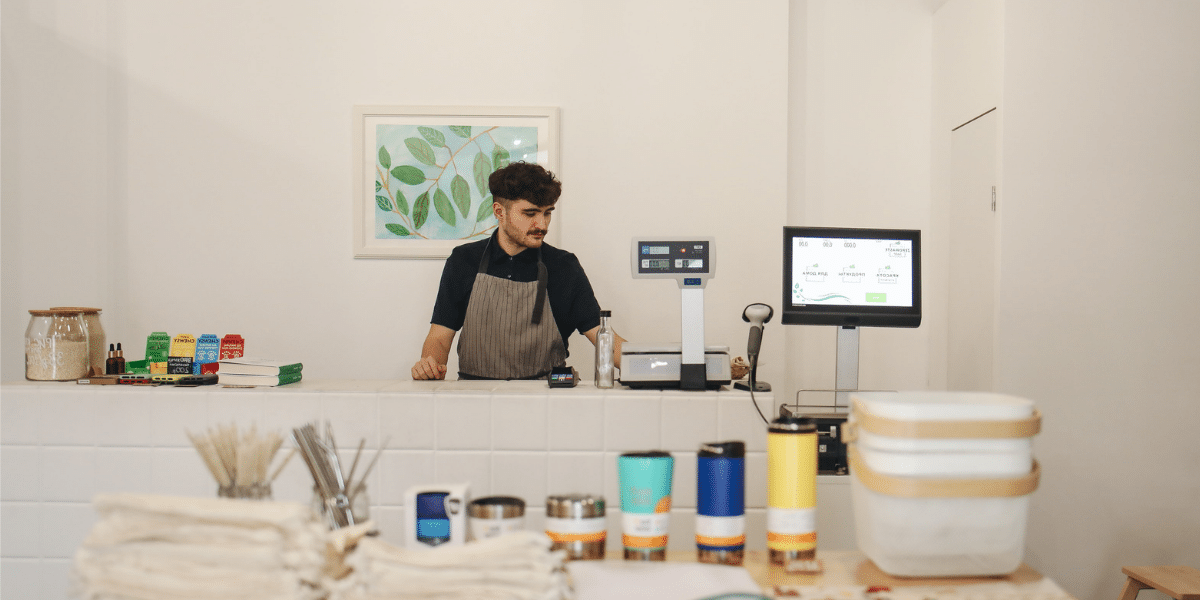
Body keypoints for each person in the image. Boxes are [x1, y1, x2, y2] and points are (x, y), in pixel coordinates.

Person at [411, 162, 622, 380]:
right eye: (530, 213)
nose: (542, 224)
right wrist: (430, 365)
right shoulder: (464, 261)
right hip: (474, 397)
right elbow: (440, 337)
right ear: (499, 211)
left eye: (547, 213)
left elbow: (601, 335)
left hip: (546, 398)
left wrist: (645, 365)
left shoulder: (564, 266)